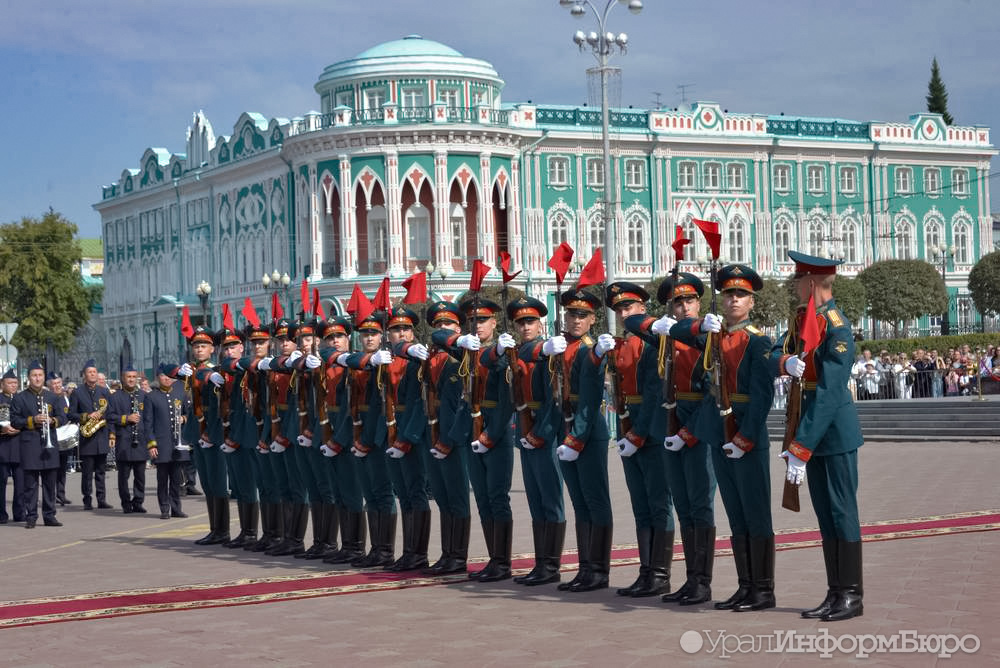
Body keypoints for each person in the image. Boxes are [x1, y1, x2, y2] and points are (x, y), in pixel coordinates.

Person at [670, 263, 775, 612]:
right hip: (719, 433)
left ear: (752, 302)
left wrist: (745, 437)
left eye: (740, 295)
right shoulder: (712, 337)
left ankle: (763, 589)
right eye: (728, 294)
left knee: (756, 514)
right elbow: (676, 330)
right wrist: (701, 324)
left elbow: (762, 398)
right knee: (736, 514)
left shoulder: (759, 341)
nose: (733, 300)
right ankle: (745, 586)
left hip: (747, 434)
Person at [772, 250, 865, 622]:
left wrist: (801, 445)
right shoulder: (804, 320)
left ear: (811, 283)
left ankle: (852, 595)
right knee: (826, 517)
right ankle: (835, 592)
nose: (794, 286)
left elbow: (827, 394)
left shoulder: (836, 326)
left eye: (797, 280)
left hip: (834, 435)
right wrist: (783, 362)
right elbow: (773, 351)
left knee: (842, 513)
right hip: (814, 432)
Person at [627, 272, 717, 606]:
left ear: (699, 302)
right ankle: (691, 579)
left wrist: (688, 433)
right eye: (677, 302)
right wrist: (659, 325)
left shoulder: (707, 335)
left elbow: (713, 395)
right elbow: (634, 321)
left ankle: (703, 582)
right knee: (683, 507)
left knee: (700, 505)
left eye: (689, 300)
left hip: (697, 432)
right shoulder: (666, 337)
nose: (683, 306)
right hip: (670, 427)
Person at [606, 281, 676, 599]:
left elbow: (653, 393)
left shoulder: (652, 344)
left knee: (658, 503)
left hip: (651, 430)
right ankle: (646, 571)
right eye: (619, 309)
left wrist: (637, 433)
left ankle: (660, 573)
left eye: (628, 307)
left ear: (642, 309)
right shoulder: (622, 345)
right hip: (629, 429)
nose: (623, 313)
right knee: (640, 505)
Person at [494, 296, 566, 587]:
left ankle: (552, 564)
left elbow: (555, 401)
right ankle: (541, 562)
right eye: (521, 322)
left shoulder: (549, 352)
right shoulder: (516, 353)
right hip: (524, 432)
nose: (526, 326)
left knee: (551, 499)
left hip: (543, 434)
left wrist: (541, 433)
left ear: (540, 324)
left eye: (531, 321)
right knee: (536, 500)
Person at [550, 288, 615, 593]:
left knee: (595, 500)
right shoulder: (563, 345)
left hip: (587, 431)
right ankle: (585, 568)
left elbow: (589, 397)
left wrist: (576, 437)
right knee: (579, 502)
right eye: (571, 314)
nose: (575, 319)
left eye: (582, 315)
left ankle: (599, 571)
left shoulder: (592, 348)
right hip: (566, 428)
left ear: (593, 319)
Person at [340, 313, 398, 568]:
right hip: (360, 432)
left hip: (378, 436)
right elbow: (344, 358)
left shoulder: (388, 361)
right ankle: (375, 548)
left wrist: (368, 440)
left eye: (373, 334)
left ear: (382, 336)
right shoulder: (361, 362)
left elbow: (381, 406)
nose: (369, 338)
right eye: (365, 334)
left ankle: (385, 550)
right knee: (370, 494)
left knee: (383, 492)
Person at [422, 302, 473, 576]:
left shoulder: (461, 356)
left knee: (457, 498)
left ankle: (459, 556)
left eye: (448, 324)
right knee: (442, 497)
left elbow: (462, 405)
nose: (442, 329)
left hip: (453, 438)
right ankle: (447, 553)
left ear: (458, 328)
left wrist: (449, 439)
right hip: (433, 433)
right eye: (438, 324)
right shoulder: (430, 357)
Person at [382, 306, 433, 571]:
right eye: (395, 329)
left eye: (405, 329)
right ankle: (408, 551)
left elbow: (419, 403)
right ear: (388, 333)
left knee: (416, 491)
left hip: (411, 434)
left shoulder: (418, 359)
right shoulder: (384, 359)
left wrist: (407, 438)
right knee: (402, 493)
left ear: (413, 333)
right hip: (390, 430)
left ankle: (419, 553)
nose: (401, 333)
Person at [318, 316, 368, 565]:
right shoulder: (325, 365)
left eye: (339, 336)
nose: (335, 341)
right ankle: (346, 544)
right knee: (338, 492)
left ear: (348, 339)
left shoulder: (355, 364)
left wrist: (338, 440)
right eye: (330, 338)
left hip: (347, 437)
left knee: (351, 493)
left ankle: (357, 546)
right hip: (330, 435)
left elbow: (352, 410)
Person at [175, 325, 228, 544]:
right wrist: (179, 371)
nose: (199, 350)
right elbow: (168, 369)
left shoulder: (216, 371)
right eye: (196, 346)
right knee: (206, 483)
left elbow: (219, 408)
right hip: (197, 431)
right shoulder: (190, 371)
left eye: (203, 346)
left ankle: (223, 530)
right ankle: (215, 528)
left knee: (217, 482)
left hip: (212, 434)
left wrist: (211, 435)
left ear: (212, 349)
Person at [11, 360, 65, 528]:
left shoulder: (53, 397)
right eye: (34, 375)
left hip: (49, 445)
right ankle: (31, 516)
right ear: (28, 378)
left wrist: (52, 420)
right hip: (30, 445)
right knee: (31, 484)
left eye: (40, 375)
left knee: (50, 483)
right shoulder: (20, 398)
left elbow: (63, 418)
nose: (37, 378)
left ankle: (49, 516)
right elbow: (15, 420)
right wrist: (32, 420)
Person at [144, 364, 191, 520]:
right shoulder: (152, 397)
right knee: (162, 479)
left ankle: (176, 508)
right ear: (158, 377)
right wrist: (152, 444)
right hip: (162, 445)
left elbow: (189, 414)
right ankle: (165, 508)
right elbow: (148, 423)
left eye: (169, 376)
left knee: (176, 479)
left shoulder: (180, 393)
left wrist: (183, 418)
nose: (167, 379)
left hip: (178, 444)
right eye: (163, 376)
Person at [69, 359, 113, 510]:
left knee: (101, 471)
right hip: (87, 438)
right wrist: (87, 416)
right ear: (84, 375)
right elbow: (71, 414)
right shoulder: (77, 392)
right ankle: (87, 500)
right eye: (90, 372)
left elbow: (111, 413)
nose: (93, 374)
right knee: (87, 473)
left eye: (94, 372)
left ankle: (102, 500)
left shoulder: (104, 391)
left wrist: (105, 421)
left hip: (101, 436)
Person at [108, 364, 148, 513]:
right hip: (124, 440)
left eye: (133, 377)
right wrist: (126, 418)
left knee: (140, 475)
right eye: (128, 377)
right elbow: (110, 417)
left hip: (141, 441)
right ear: (122, 379)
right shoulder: (114, 396)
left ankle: (138, 502)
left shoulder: (143, 395)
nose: (131, 380)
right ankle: (126, 503)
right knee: (123, 475)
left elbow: (148, 418)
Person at [1, 367, 25, 524]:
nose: (13, 386)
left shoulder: (22, 399)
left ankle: (19, 513)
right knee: (1, 483)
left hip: (19, 447)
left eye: (15, 383)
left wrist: (20, 426)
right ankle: (1, 514)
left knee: (21, 483)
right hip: (2, 447)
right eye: (10, 383)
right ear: (2, 384)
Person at [45, 372, 73, 505]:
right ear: (49, 385)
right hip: (53, 436)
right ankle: (51, 495)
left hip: (65, 437)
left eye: (59, 383)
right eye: (54, 384)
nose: (57, 386)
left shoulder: (65, 398)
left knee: (62, 467)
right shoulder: (47, 398)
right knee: (53, 469)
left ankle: (61, 494)